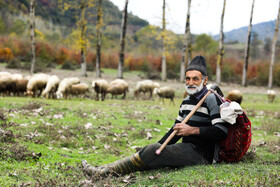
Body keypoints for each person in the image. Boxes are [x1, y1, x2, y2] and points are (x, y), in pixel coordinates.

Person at [81, 55, 229, 178]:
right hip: (186, 148)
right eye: (187, 79)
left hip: (202, 154)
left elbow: (222, 131)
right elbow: (175, 130)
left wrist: (192, 130)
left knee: (151, 152)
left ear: (205, 80)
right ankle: (101, 168)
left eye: (195, 79)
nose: (190, 83)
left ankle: (102, 173)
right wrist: (158, 146)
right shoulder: (185, 102)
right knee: (151, 150)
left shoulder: (211, 99)